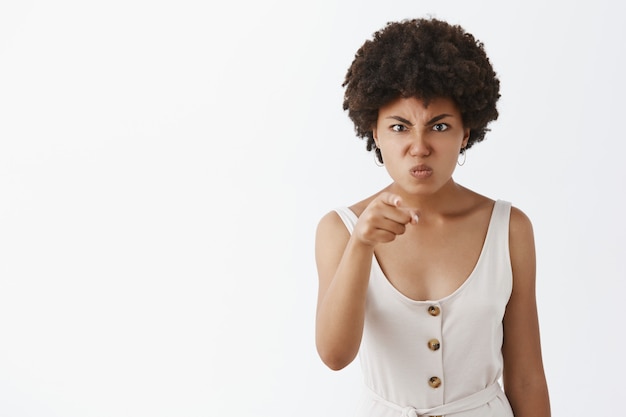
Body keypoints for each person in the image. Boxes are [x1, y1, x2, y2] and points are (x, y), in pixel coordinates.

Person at [314, 18, 550, 417]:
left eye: (439, 126)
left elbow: (526, 377)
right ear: (374, 130)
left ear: (466, 132)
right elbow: (335, 355)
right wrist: (361, 246)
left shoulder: (509, 229)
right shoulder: (341, 229)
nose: (419, 147)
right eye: (400, 127)